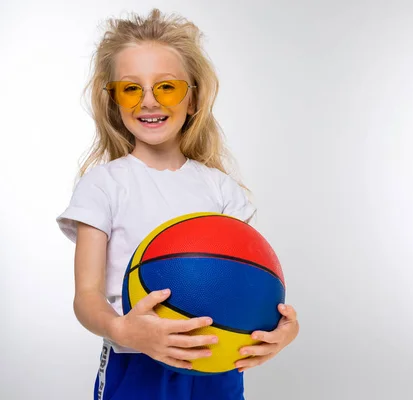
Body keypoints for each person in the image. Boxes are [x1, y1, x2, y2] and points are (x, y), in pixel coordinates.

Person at [56, 8, 299, 400]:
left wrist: (281, 329)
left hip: (217, 363)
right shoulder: (103, 185)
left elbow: (251, 280)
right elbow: (86, 297)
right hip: (137, 364)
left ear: (192, 99)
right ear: (115, 101)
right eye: (131, 89)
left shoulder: (222, 191)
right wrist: (121, 329)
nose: (148, 101)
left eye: (166, 87)